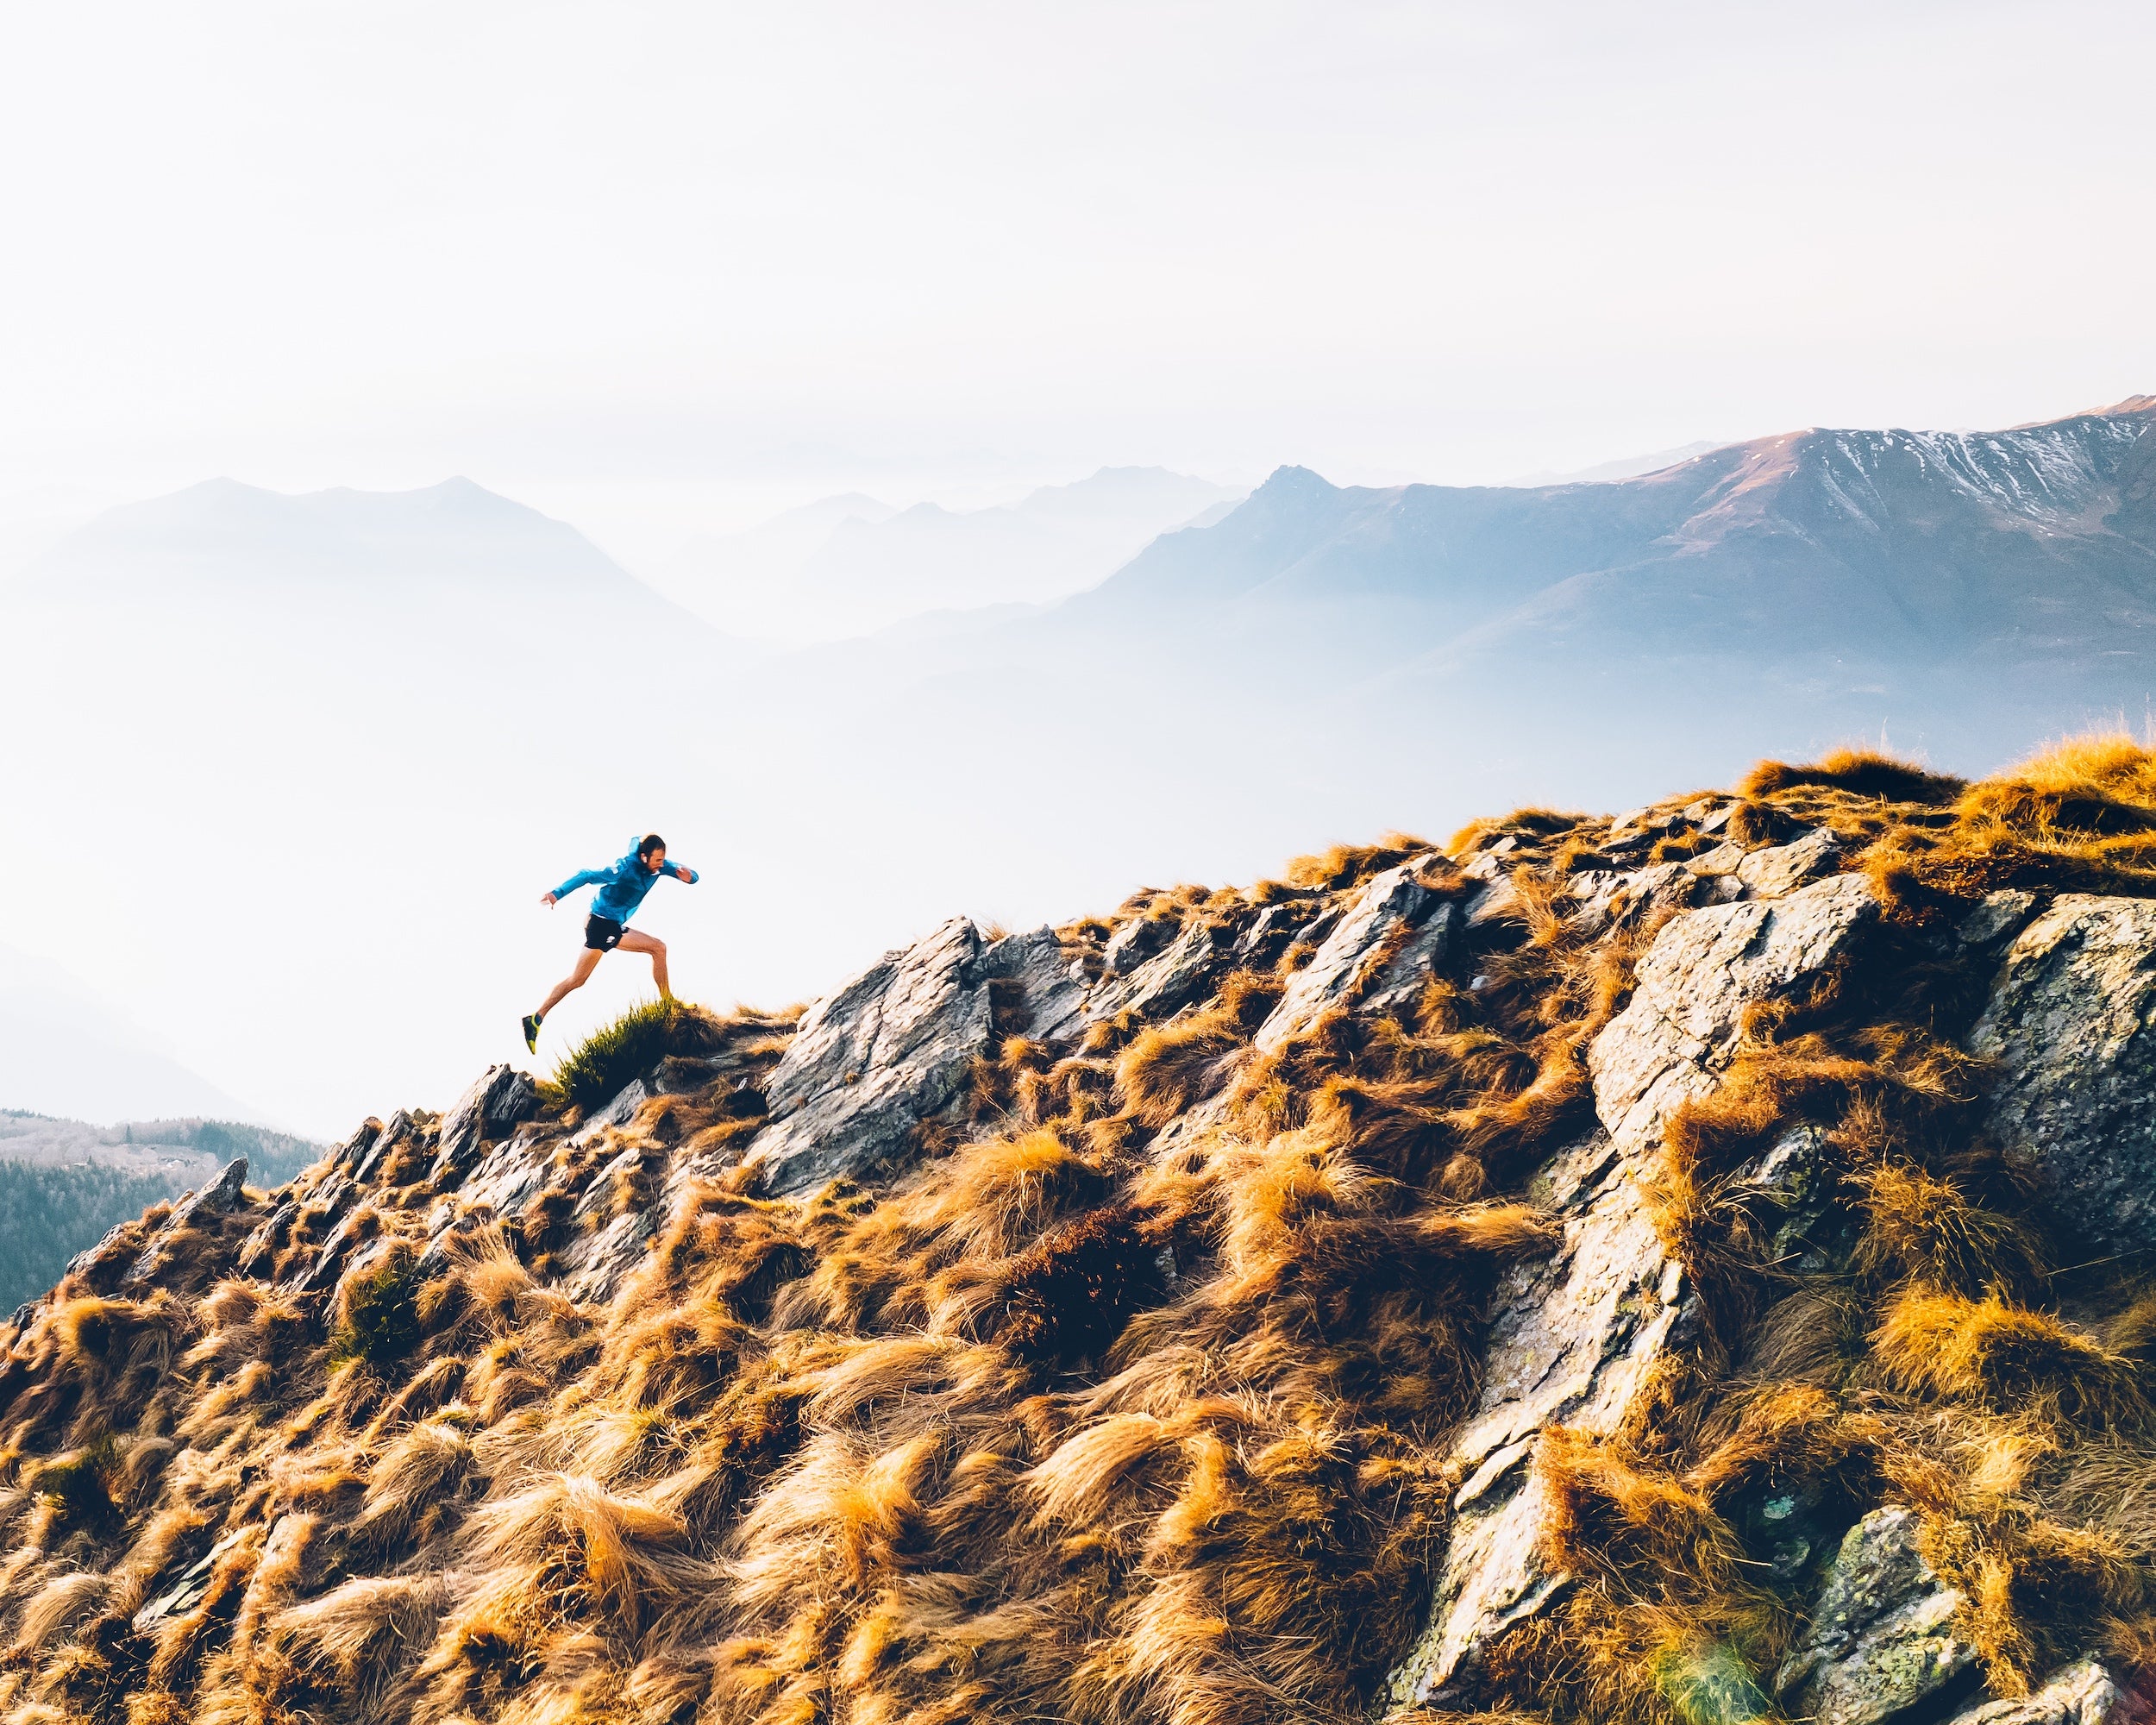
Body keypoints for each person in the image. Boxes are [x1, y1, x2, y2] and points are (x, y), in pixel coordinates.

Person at [523, 833, 699, 1051]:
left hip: (609, 925)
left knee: (578, 979)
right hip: (601, 923)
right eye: (657, 861)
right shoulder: (624, 868)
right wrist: (557, 893)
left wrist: (689, 877)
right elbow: (586, 875)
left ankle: (535, 1019)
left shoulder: (659, 867)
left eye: (663, 860)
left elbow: (692, 876)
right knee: (658, 948)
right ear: (644, 858)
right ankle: (669, 1003)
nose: (661, 866)